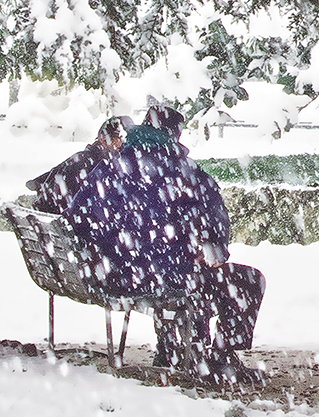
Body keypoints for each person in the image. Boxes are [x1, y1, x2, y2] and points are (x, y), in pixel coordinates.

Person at [60, 104, 265, 380]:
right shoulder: (185, 174)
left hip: (117, 277)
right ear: (175, 136)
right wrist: (207, 248)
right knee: (247, 280)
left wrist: (115, 252)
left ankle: (171, 350)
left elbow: (76, 217)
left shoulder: (109, 167)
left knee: (174, 265)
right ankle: (220, 357)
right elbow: (215, 225)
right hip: (161, 278)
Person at [25, 115, 131, 211]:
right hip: (62, 214)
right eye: (119, 139)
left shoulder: (87, 157)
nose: (123, 143)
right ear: (104, 139)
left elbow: (53, 174)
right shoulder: (91, 163)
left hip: (52, 206)